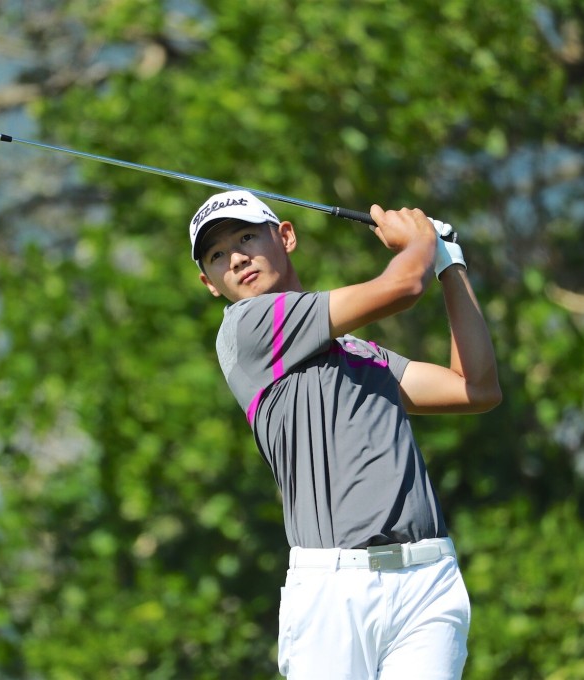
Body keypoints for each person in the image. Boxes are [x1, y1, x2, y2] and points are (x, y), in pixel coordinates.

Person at [189, 189, 501, 680]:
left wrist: (449, 265)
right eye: (218, 255)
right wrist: (421, 241)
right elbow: (402, 286)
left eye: (247, 236)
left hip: (427, 580)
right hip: (334, 593)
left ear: (285, 236)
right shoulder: (247, 329)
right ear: (210, 283)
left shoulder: (357, 352)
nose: (237, 258)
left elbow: (475, 389)